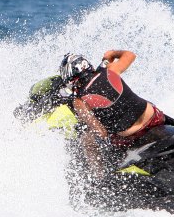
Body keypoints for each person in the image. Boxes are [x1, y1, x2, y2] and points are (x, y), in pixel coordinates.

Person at [59, 50, 166, 178]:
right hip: (154, 119)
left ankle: (100, 177)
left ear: (69, 79)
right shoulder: (111, 69)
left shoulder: (79, 101)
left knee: (87, 140)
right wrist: (112, 54)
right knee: (143, 102)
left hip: (131, 137)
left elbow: (101, 132)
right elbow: (130, 55)